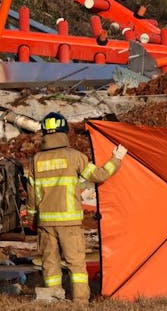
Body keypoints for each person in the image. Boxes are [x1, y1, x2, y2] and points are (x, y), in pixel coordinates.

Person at [27, 113, 127, 303]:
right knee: (76, 264)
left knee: (50, 264)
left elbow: (32, 195)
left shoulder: (36, 160)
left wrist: (32, 220)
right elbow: (99, 175)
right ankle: (80, 303)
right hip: (69, 222)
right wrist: (117, 159)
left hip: (45, 222)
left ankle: (54, 299)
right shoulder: (75, 157)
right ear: (65, 132)